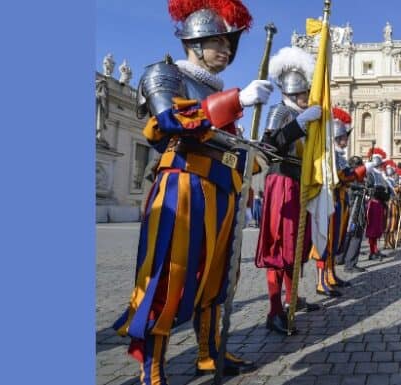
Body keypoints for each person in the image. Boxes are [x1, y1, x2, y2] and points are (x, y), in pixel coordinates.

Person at [111, 0, 270, 382]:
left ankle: (208, 353)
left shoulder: (215, 90)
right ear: (194, 43)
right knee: (168, 277)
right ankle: (154, 369)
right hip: (182, 187)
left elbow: (225, 142)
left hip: (220, 192)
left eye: (230, 44)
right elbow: (170, 119)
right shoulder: (164, 73)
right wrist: (236, 101)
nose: (227, 50)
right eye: (218, 42)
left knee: (216, 278)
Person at [254, 45, 325, 335]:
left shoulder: (304, 118)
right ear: (294, 93)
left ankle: (291, 297)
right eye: (304, 94)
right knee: (279, 249)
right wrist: (298, 124)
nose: (307, 98)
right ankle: (274, 310)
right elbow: (270, 147)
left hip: (299, 186)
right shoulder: (281, 112)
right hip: (281, 183)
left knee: (295, 248)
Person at [316, 107, 364, 298]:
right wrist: (362, 170)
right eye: (344, 137)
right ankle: (321, 281)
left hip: (340, 201)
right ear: (336, 136)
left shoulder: (338, 156)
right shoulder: (330, 155)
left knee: (335, 241)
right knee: (325, 241)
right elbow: (343, 177)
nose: (346, 141)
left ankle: (331, 274)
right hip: (330, 200)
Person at [365, 149, 393, 260]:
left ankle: (376, 250)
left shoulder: (380, 175)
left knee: (377, 229)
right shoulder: (370, 173)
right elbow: (369, 187)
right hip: (373, 203)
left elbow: (385, 189)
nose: (381, 165)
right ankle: (372, 251)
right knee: (372, 229)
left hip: (380, 203)